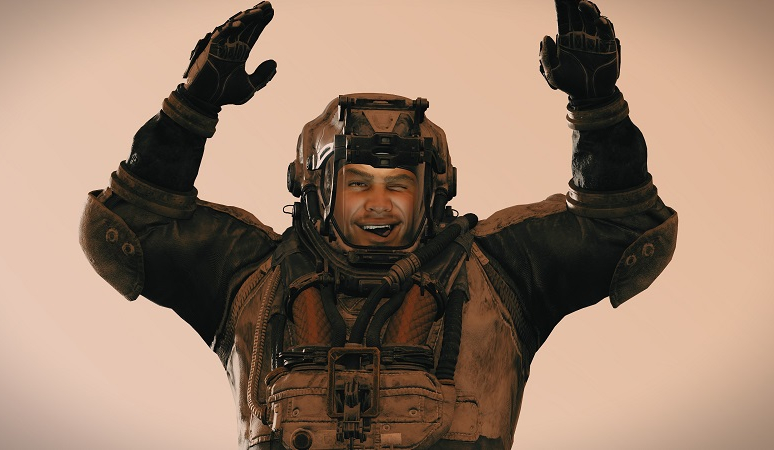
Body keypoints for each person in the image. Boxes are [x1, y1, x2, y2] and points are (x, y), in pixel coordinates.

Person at [79, 1, 678, 448]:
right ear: (318, 190)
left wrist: (598, 110)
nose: (379, 204)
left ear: (432, 191)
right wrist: (191, 107)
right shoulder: (251, 278)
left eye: (398, 184)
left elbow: (625, 235)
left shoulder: (499, 272)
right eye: (358, 183)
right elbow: (124, 231)